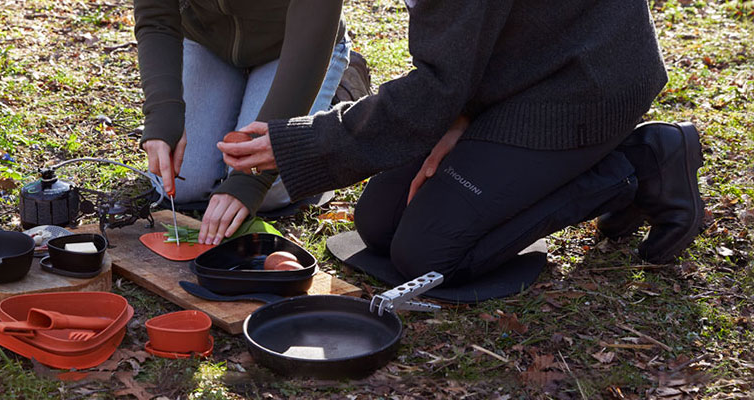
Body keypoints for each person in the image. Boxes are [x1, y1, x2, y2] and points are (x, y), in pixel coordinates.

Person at [217, 0, 704, 285]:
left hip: (583, 84)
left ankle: (637, 168)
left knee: (428, 256)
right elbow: (459, 50)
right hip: (512, 69)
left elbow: (436, 83)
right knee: (379, 224)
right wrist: (458, 116)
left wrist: (307, 142)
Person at [133, 0, 350, 246]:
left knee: (270, 191)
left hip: (297, 47)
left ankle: (334, 96)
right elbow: (156, 17)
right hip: (207, 41)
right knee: (179, 183)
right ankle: (244, 100)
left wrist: (253, 180)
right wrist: (163, 112)